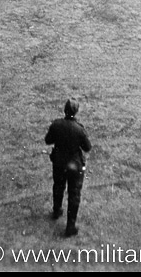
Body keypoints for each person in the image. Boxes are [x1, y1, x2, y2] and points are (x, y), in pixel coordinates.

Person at [45, 99, 92, 238]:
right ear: (76, 111)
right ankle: (70, 226)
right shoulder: (79, 129)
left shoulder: (56, 124)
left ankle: (57, 209)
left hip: (59, 162)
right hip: (74, 165)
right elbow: (87, 147)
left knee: (58, 185)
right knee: (74, 193)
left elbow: (48, 140)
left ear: (64, 110)